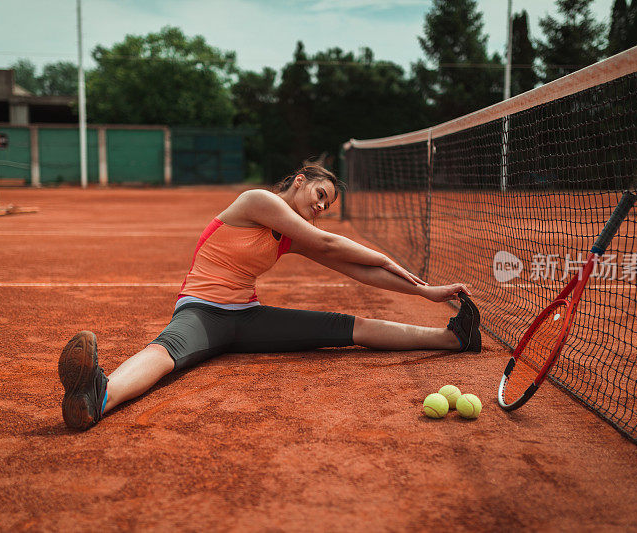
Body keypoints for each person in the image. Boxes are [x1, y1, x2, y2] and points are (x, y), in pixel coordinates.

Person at [58, 163, 481, 431]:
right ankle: (98, 396)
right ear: (300, 181)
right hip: (202, 311)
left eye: (326, 206)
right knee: (165, 352)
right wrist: (405, 270)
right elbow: (331, 245)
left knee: (349, 327)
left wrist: (426, 292)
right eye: (319, 196)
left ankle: (454, 339)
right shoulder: (257, 201)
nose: (319, 207)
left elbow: (357, 269)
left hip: (248, 317)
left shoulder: (291, 235)